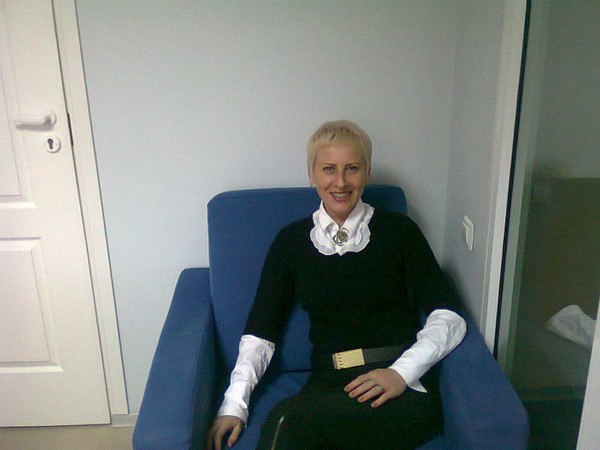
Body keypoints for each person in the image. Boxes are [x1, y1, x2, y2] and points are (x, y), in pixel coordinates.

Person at [206, 120, 467, 449]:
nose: (340, 182)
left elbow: (449, 315)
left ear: (367, 172)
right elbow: (261, 330)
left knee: (287, 424)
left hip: (399, 384)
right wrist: (234, 405)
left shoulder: (400, 231)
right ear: (311, 174)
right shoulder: (291, 242)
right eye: (329, 169)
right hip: (328, 385)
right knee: (297, 423)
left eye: (352, 169)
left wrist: (401, 372)